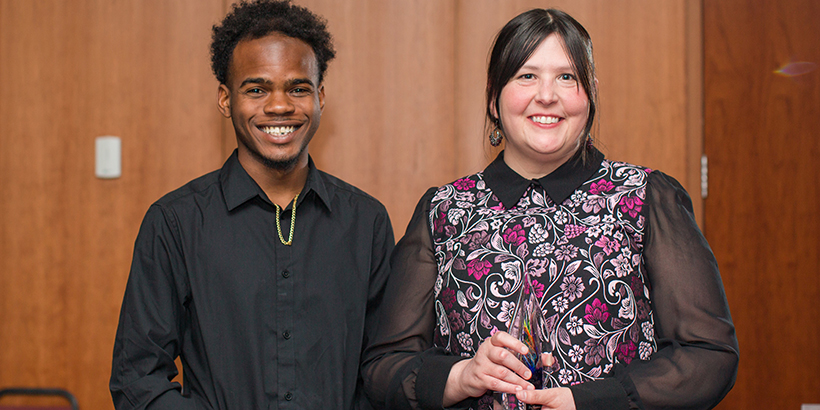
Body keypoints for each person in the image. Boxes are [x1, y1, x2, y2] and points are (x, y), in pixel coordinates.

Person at [361, 8, 738, 410]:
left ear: (590, 93)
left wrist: (593, 401)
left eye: (566, 77)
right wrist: (461, 376)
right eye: (526, 76)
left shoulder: (644, 197)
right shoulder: (443, 211)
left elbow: (709, 356)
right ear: (493, 96)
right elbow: (383, 368)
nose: (547, 95)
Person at [110, 1, 394, 409]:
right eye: (257, 89)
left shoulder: (366, 223)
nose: (279, 106)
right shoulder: (175, 223)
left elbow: (383, 369)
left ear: (320, 97)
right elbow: (136, 378)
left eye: (298, 88)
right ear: (226, 100)